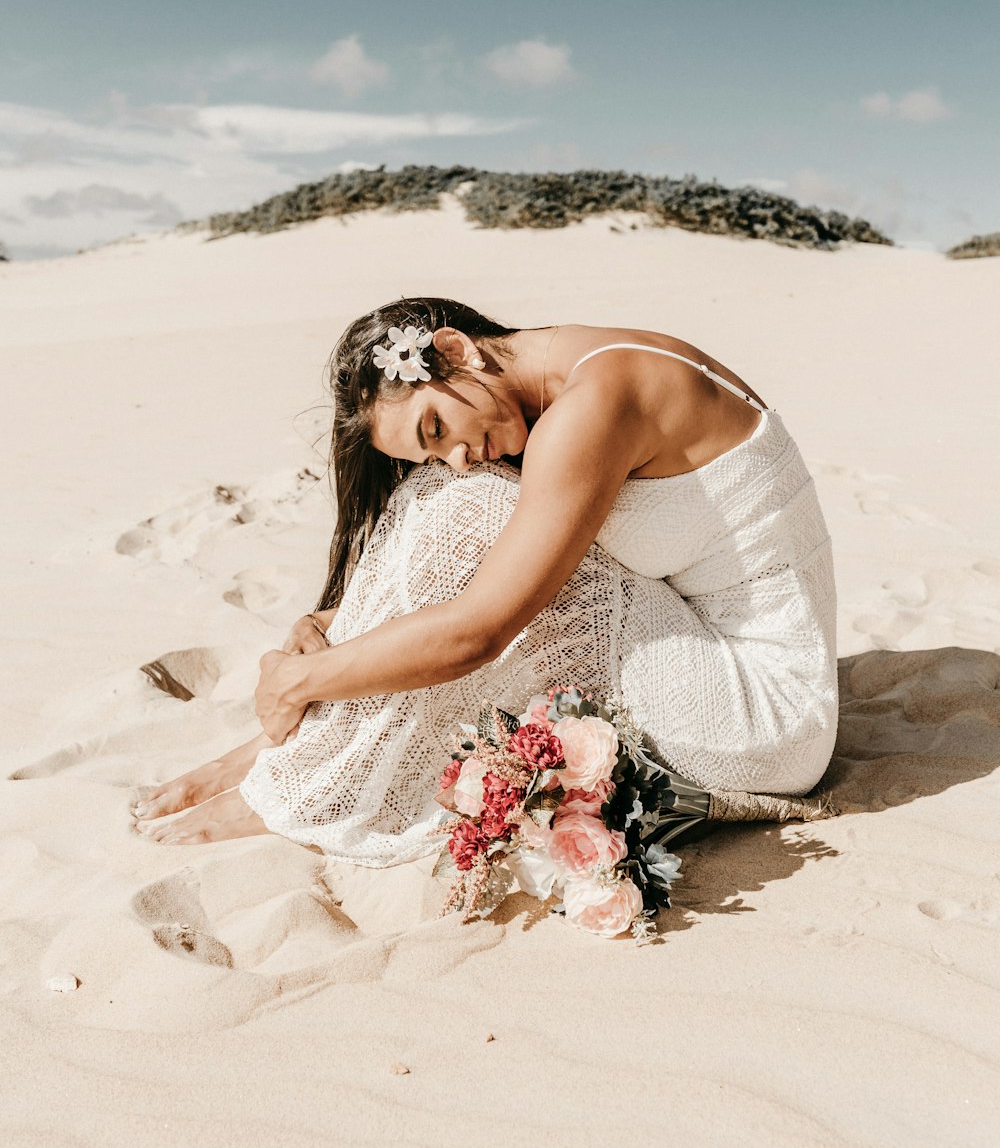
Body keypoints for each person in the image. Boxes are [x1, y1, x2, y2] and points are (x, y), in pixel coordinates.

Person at [133, 295, 838, 855]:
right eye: (429, 449)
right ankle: (285, 750)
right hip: (723, 654)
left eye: (435, 429)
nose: (457, 454)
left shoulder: (594, 403)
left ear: (453, 350)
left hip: (764, 719)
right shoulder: (576, 364)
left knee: (463, 507)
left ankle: (292, 776)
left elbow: (477, 633)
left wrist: (299, 680)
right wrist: (334, 626)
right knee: (454, 498)